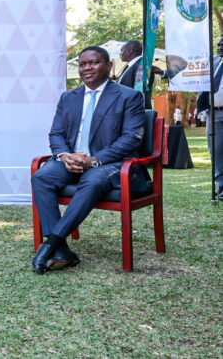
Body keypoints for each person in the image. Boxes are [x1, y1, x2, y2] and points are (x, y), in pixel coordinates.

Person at [30, 46, 146, 274]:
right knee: (41, 177)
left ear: (109, 66)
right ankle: (62, 249)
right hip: (71, 160)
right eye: (83, 64)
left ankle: (50, 244)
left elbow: (131, 139)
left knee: (92, 181)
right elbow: (56, 133)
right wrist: (65, 156)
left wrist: (93, 160)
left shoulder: (129, 96)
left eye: (93, 63)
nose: (87, 68)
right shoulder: (68, 97)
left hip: (109, 164)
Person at [197, 36, 223, 197]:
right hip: (213, 112)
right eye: (219, 45)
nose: (220, 47)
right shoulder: (212, 61)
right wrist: (165, 73)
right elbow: (189, 72)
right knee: (216, 149)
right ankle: (221, 186)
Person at [117, 40, 157, 109]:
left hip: (134, 112)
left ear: (130, 51)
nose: (120, 54)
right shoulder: (131, 66)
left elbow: (139, 92)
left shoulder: (142, 66)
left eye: (122, 50)